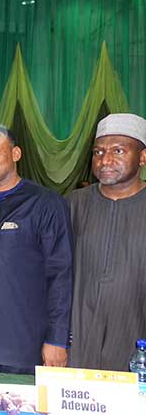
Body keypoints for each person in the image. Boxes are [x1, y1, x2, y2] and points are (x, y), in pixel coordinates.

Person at [0, 125, 72, 374]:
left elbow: (60, 276)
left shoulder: (45, 203)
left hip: (23, 346)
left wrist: (57, 338)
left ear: (16, 154)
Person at [68, 113, 146, 371]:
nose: (105, 160)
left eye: (118, 150)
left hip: (135, 343)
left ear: (143, 157)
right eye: (98, 152)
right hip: (77, 340)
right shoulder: (72, 204)